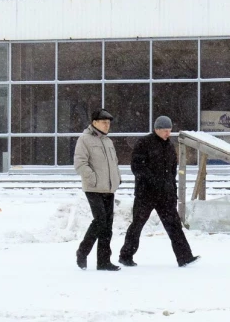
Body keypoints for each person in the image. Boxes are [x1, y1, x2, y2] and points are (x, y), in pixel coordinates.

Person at [118, 115, 200, 267]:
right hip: (146, 194)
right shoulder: (144, 143)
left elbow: (172, 171)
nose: (168, 134)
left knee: (174, 226)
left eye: (169, 131)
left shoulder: (169, 147)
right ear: (156, 129)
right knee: (137, 225)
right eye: (165, 131)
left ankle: (185, 257)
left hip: (166, 195)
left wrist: (172, 189)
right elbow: (137, 167)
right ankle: (125, 255)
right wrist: (153, 181)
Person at [74, 108, 122, 271]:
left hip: (108, 188)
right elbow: (80, 163)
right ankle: (82, 252)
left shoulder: (108, 141)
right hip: (93, 188)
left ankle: (103, 261)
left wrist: (117, 178)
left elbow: (114, 163)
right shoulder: (85, 139)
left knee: (107, 225)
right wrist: (92, 178)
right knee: (100, 221)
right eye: (104, 122)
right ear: (94, 123)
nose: (107, 126)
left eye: (108, 123)